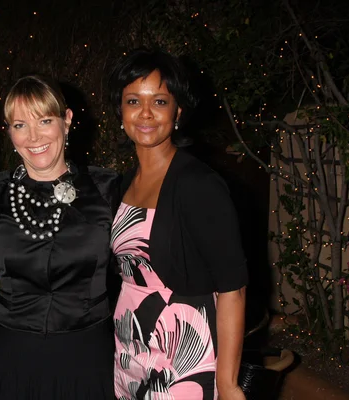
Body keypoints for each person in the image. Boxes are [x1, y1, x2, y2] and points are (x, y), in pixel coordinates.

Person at [0, 75, 118, 399]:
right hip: (10, 356)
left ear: (67, 121)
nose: (33, 136)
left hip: (87, 355)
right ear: (8, 132)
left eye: (45, 120)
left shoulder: (107, 189)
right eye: (19, 125)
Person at [108, 48, 248, 400]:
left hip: (182, 358)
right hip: (128, 350)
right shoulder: (124, 183)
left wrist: (228, 385)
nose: (145, 113)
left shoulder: (199, 185)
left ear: (178, 112)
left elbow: (233, 289)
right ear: (120, 111)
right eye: (133, 101)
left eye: (159, 101)